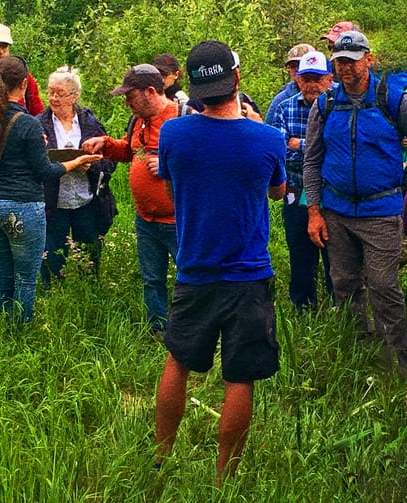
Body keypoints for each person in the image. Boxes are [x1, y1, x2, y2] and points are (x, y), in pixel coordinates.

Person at [154, 40, 286, 485]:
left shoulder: (173, 133)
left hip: (195, 270)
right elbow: (276, 192)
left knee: (178, 361)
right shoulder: (268, 139)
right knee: (240, 377)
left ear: (193, 87)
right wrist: (257, 127)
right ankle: (224, 477)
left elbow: (172, 190)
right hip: (248, 275)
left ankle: (161, 456)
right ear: (237, 81)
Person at [303, 29, 407, 377]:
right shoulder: (326, 104)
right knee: (344, 284)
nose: (345, 67)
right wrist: (314, 211)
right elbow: (312, 159)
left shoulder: (392, 99)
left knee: (383, 286)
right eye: (340, 61)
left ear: (369, 59)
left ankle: (399, 361)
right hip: (337, 211)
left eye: (352, 60)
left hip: (381, 212)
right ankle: (361, 354)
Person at [0, 55, 99, 324]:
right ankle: (21, 329)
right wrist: (75, 161)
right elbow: (44, 172)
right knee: (26, 279)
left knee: (5, 273)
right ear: (23, 84)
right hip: (24, 207)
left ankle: (0, 324)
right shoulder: (28, 123)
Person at [83, 64, 180, 338]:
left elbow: (205, 162)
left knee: (190, 277)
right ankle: (158, 330)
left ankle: (194, 330)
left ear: (151, 91)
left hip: (178, 220)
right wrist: (106, 144)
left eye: (130, 95)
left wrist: (167, 165)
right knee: (152, 279)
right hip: (146, 220)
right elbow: (130, 150)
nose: (126, 102)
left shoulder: (182, 120)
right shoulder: (138, 121)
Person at [36, 66, 116, 286]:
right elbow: (31, 163)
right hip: (53, 204)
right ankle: (53, 298)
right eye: (50, 92)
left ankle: (88, 297)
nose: (53, 98)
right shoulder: (38, 124)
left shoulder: (90, 123)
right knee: (52, 260)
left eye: (60, 93)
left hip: (86, 202)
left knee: (89, 258)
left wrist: (90, 167)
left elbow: (110, 160)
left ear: (74, 96)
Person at [272, 51, 334, 310]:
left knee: (336, 256)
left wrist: (302, 145)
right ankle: (303, 309)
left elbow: (343, 148)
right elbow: (279, 151)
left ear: (329, 79)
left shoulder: (339, 104)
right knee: (300, 254)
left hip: (333, 194)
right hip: (295, 192)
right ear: (297, 80)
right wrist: (318, 148)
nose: (311, 85)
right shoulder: (285, 107)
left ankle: (339, 307)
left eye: (317, 78)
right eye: (306, 78)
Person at [264, 43, 316, 125]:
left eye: (300, 64)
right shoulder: (281, 99)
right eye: (292, 66)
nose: (296, 69)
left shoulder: (331, 93)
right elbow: (269, 131)